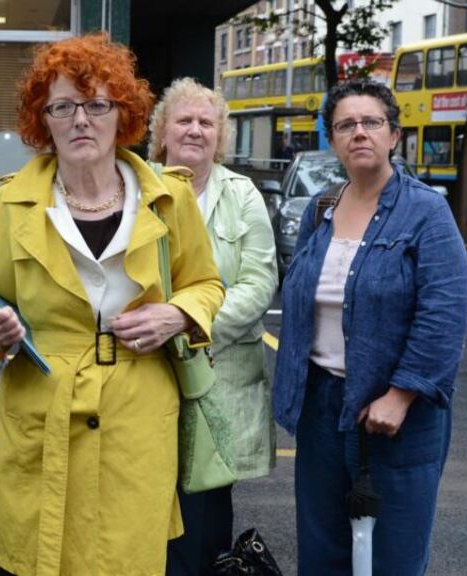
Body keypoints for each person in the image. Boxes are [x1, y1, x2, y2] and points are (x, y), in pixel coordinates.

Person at [0, 34, 225, 576]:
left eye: (97, 104)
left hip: (137, 416)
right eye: (63, 106)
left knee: (125, 559)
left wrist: (177, 314)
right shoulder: (13, 203)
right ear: (44, 120)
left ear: (123, 113)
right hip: (43, 410)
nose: (80, 119)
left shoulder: (169, 196)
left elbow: (205, 284)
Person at [274, 80, 467, 575]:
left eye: (371, 122)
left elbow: (444, 312)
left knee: (392, 557)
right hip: (321, 408)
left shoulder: (426, 210)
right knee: (323, 553)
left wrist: (401, 395)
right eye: (345, 125)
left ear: (393, 135)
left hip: (395, 416)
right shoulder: (321, 209)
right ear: (333, 139)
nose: (358, 132)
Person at [147, 77, 278, 574]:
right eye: (184, 120)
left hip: (217, 379)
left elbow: (259, 282)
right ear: (162, 131)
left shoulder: (242, 195)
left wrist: (183, 327)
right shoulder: (135, 187)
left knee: (203, 514)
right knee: (145, 501)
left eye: (207, 122)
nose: (195, 130)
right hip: (146, 372)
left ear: (220, 136)